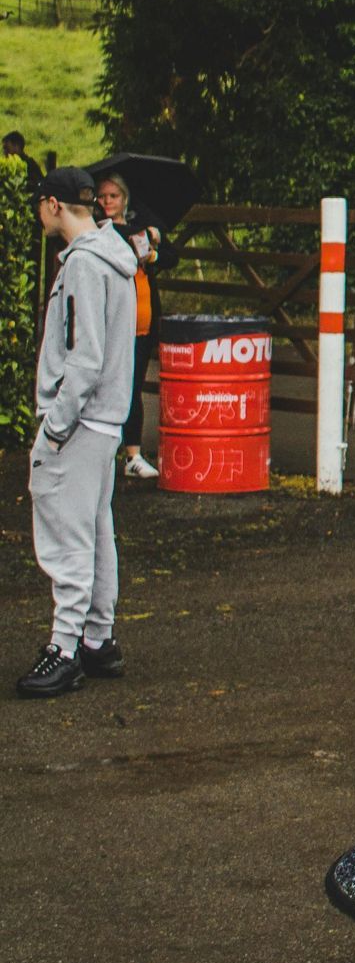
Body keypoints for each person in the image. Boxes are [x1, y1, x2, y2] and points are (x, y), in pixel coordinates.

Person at [17, 166, 139, 698]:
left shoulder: (83, 266)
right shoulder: (115, 258)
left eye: (39, 206)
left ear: (52, 204)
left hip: (81, 420)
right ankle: (96, 638)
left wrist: (56, 427)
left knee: (66, 535)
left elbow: (81, 357)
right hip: (107, 419)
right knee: (95, 529)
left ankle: (64, 648)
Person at [92, 172, 165, 474]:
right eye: (103, 196)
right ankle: (104, 453)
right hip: (112, 321)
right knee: (107, 385)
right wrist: (144, 235)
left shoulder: (138, 230)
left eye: (113, 196)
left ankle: (132, 455)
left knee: (134, 385)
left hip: (142, 319)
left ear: (124, 199)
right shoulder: (97, 232)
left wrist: (153, 246)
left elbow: (161, 256)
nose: (107, 201)